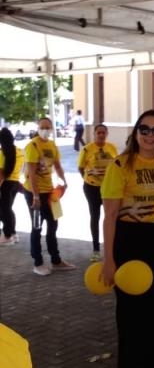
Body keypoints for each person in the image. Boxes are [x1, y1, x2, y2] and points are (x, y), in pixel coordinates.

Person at [101, 110, 154, 368]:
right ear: (136, 132)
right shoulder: (120, 165)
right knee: (132, 319)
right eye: (144, 129)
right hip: (129, 244)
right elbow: (109, 219)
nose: (150, 135)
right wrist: (108, 259)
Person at [23, 118, 75, 276]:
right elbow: (31, 173)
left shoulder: (52, 145)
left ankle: (56, 261)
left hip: (50, 192)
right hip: (34, 192)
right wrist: (36, 197)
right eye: (42, 127)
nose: (45, 130)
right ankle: (37, 263)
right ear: (38, 128)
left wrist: (64, 180)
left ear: (52, 129)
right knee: (37, 227)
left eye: (48, 127)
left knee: (53, 225)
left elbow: (57, 165)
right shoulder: (32, 145)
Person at [77, 124, 118, 261]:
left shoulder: (111, 148)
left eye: (103, 132)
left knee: (111, 217)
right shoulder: (87, 149)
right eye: (98, 132)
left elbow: (115, 165)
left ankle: (111, 248)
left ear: (107, 134)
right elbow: (81, 167)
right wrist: (88, 177)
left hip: (108, 188)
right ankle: (95, 249)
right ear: (94, 134)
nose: (101, 135)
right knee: (95, 216)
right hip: (92, 188)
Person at [0, 128, 24, 245]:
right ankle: (13, 234)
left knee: (5, 210)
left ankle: (7, 236)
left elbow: (1, 174)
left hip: (5, 184)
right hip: (15, 183)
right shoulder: (19, 151)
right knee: (7, 209)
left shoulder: (3, 153)